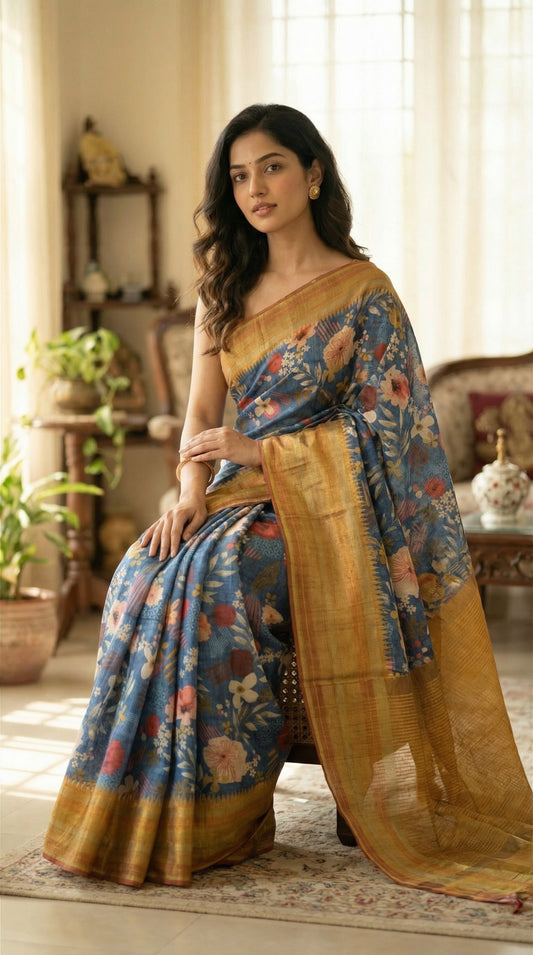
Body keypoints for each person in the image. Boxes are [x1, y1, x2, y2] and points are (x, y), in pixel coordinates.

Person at [43, 104, 532, 905]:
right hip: (235, 491)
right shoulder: (224, 288)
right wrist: (188, 495)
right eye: (237, 175)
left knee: (220, 580)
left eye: (270, 166)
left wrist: (259, 451)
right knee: (145, 568)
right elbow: (203, 415)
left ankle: (224, 813)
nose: (254, 187)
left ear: (311, 173)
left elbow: (393, 427)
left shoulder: (364, 293)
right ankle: (141, 807)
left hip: (334, 506)